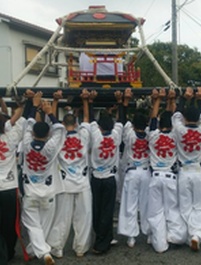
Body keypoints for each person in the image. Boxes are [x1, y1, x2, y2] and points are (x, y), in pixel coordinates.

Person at [47, 89, 93, 258]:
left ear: (63, 123)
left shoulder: (57, 136)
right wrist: (85, 101)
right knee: (84, 217)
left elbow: (52, 123)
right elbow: (87, 120)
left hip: (64, 183)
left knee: (61, 217)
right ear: (76, 122)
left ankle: (57, 248)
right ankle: (80, 248)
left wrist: (55, 100)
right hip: (82, 182)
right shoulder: (83, 135)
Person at [21, 92, 65, 265]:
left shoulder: (26, 144)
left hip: (31, 191)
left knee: (32, 224)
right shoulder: (51, 147)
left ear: (32, 133)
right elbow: (59, 130)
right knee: (44, 225)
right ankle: (42, 252)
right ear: (48, 135)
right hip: (48, 192)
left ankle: (40, 252)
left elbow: (27, 124)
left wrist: (34, 105)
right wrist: (50, 112)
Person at [171, 87, 201, 251]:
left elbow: (176, 115)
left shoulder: (179, 129)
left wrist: (184, 98)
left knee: (185, 206)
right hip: (199, 172)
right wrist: (200, 98)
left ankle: (186, 235)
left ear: (184, 118)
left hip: (184, 172)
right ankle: (197, 234)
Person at [147, 88, 187, 253]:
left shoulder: (153, 135)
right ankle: (176, 236)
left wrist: (158, 100)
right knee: (172, 210)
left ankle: (159, 244)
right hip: (171, 177)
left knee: (156, 212)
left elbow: (153, 119)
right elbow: (177, 118)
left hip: (155, 177)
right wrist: (173, 102)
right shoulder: (175, 136)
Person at [89, 90, 124, 254]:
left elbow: (90, 121)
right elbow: (121, 121)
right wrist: (120, 102)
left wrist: (89, 101)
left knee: (97, 209)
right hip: (110, 178)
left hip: (96, 178)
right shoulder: (116, 135)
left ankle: (103, 238)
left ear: (99, 126)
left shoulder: (96, 136)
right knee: (107, 210)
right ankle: (102, 242)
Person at [118, 88, 151, 248]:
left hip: (132, 173)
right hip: (145, 173)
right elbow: (153, 120)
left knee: (130, 204)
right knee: (146, 204)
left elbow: (124, 120)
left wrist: (125, 102)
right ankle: (149, 233)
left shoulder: (129, 134)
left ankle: (131, 237)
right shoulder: (150, 134)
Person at [0, 97, 25, 264]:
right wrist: (21, 105)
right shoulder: (11, 137)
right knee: (9, 223)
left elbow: (8, 118)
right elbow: (16, 117)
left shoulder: (9, 132)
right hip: (8, 187)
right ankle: (8, 252)